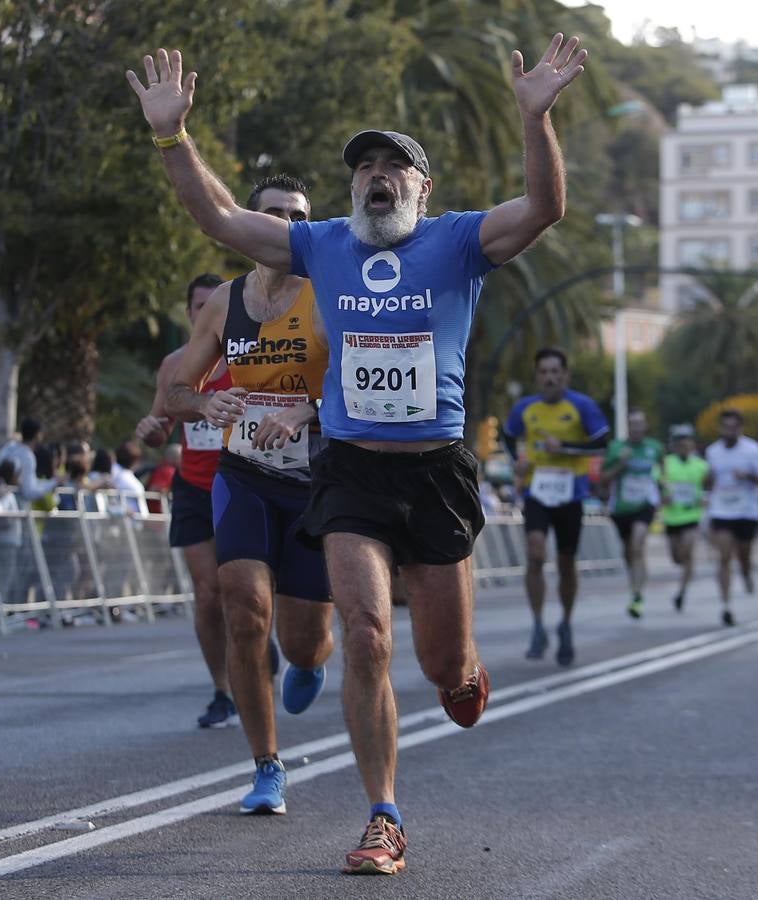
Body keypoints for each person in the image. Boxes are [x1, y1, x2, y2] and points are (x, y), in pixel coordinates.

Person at [128, 30, 586, 874]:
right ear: (351, 187)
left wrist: (535, 119)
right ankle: (383, 816)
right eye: (363, 168)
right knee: (367, 634)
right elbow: (221, 220)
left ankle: (462, 666)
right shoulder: (322, 245)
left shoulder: (455, 241)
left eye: (393, 167)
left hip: (436, 471)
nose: (377, 177)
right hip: (347, 468)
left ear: (421, 186)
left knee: (440, 663)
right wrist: (172, 135)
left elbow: (545, 209)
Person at [165, 174, 335, 817]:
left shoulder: (329, 296)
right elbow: (179, 393)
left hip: (316, 481)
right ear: (247, 225)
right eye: (272, 214)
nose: (284, 226)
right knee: (243, 610)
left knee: (301, 640)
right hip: (244, 475)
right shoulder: (224, 303)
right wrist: (208, 398)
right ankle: (267, 766)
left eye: (297, 217)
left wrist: (305, 412)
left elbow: (362, 385)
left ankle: (312, 660)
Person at [135, 274, 239, 726]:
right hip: (194, 487)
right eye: (199, 306)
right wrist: (151, 431)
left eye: (213, 305)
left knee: (246, 591)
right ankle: (222, 690)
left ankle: (258, 641)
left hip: (242, 483)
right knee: (208, 593)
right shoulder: (175, 365)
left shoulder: (247, 357)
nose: (205, 313)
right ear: (189, 313)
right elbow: (161, 428)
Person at [503, 348, 609, 662]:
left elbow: (602, 443)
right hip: (538, 491)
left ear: (565, 375)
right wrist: (517, 462)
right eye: (543, 372)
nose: (549, 377)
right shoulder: (525, 407)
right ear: (537, 376)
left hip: (571, 493)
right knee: (535, 554)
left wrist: (565, 447)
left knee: (566, 563)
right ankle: (537, 625)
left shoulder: (581, 406)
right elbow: (508, 437)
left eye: (555, 372)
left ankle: (565, 622)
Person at [703, 409, 758, 626]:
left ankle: (746, 572)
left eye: (734, 427)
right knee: (724, 556)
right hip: (721, 510)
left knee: (743, 554)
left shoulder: (752, 450)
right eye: (725, 427)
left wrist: (748, 476)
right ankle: (726, 605)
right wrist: (708, 480)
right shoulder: (712, 451)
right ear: (720, 428)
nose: (729, 431)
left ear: (740, 429)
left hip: (746, 510)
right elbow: (706, 483)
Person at [600, 409, 662, 619]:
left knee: (637, 545)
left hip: (645, 505)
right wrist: (620, 464)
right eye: (632, 424)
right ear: (628, 427)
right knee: (629, 552)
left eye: (640, 424)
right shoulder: (616, 448)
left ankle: (637, 596)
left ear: (645, 426)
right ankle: (635, 583)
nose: (636, 428)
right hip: (621, 508)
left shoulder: (655, 448)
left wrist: (664, 488)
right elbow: (603, 479)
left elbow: (662, 474)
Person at [659, 424, 708, 611]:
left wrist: (704, 499)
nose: (683, 446)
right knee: (676, 557)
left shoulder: (701, 465)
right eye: (679, 443)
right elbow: (658, 484)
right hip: (672, 518)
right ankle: (685, 572)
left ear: (692, 444)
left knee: (687, 551)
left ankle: (682, 591)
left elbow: (707, 486)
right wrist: (663, 496)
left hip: (691, 516)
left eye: (687, 443)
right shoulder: (666, 463)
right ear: (673, 445)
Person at [0, 419, 57, 505]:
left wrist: (52, 482)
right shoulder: (28, 456)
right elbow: (29, 492)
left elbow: (32, 482)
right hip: (14, 507)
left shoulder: (9, 447)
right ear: (37, 434)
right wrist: (54, 483)